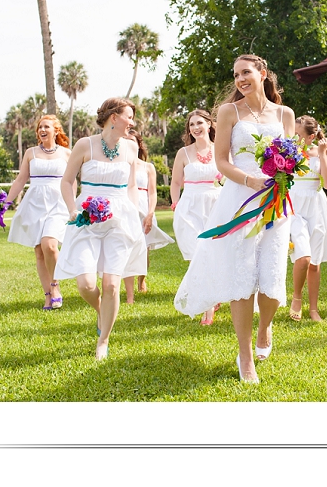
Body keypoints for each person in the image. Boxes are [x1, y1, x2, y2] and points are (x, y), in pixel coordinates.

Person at [174, 54, 296, 383]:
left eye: (246, 72)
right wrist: (249, 180)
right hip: (239, 198)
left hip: (275, 200)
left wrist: (281, 179)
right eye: (236, 74)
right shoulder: (229, 112)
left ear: (262, 73)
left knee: (271, 279)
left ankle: (265, 327)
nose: (240, 79)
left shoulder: (285, 114)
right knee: (242, 277)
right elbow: (222, 161)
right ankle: (245, 356)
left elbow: (290, 157)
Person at [54, 98, 148, 360]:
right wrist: (73, 209)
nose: (132, 122)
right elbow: (67, 181)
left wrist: (134, 211)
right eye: (129, 116)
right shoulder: (85, 145)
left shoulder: (130, 148)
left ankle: (103, 340)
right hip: (87, 216)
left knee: (111, 285)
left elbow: (131, 186)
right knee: (85, 284)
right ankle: (101, 309)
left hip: (119, 219)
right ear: (114, 118)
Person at [6, 115, 73, 310]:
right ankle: (48, 295)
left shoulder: (67, 154)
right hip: (35, 203)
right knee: (39, 252)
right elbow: (20, 180)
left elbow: (71, 182)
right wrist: (6, 202)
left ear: (56, 130)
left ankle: (55, 286)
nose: (42, 130)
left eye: (46, 127)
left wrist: (72, 206)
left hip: (58, 203)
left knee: (50, 245)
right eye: (39, 127)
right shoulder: (30, 153)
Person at [169, 109, 222, 325]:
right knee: (196, 257)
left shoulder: (221, 149)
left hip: (215, 207)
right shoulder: (183, 153)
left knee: (212, 256)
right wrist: (175, 203)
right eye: (191, 125)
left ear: (209, 125)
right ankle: (207, 308)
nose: (195, 128)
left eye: (199, 123)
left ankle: (212, 297)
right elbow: (175, 182)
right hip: (189, 209)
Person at [288, 115, 327, 322]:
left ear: (311, 137)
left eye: (298, 134)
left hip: (316, 206)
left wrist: (323, 155)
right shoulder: (287, 152)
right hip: (294, 207)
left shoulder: (320, 153)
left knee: (314, 262)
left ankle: (313, 309)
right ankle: (296, 298)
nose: (294, 138)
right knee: (303, 257)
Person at [123, 128, 174, 304]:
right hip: (126, 207)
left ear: (139, 145)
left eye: (132, 142)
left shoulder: (148, 167)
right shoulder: (119, 165)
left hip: (144, 208)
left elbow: (152, 193)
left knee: (143, 249)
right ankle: (129, 295)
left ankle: (141, 279)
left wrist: (150, 214)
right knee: (126, 249)